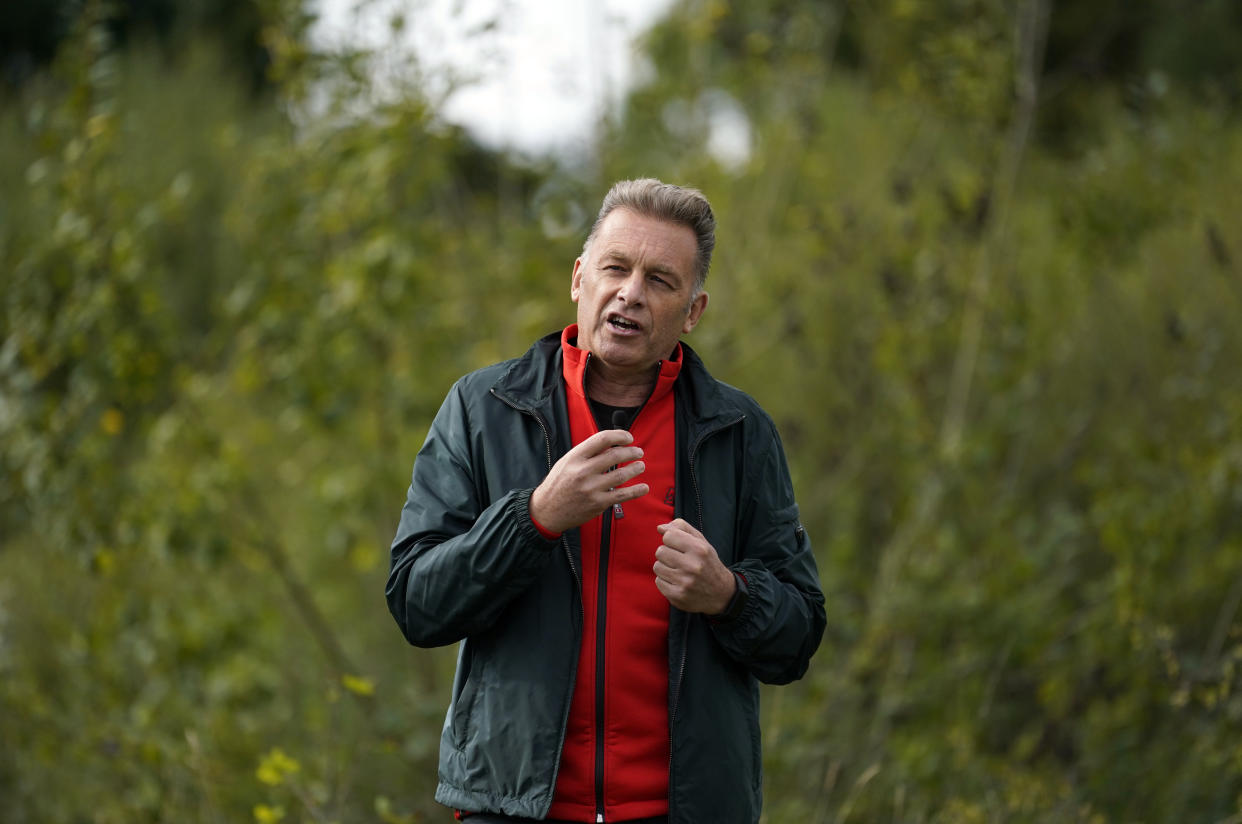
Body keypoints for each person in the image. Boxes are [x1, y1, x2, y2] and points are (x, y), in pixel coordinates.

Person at [386, 178, 825, 824]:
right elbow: (417, 604)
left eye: (660, 280)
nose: (631, 294)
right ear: (578, 278)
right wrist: (533, 519)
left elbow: (799, 635)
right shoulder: (483, 410)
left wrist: (729, 595)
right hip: (513, 810)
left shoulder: (738, 431)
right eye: (615, 268)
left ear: (693, 310)